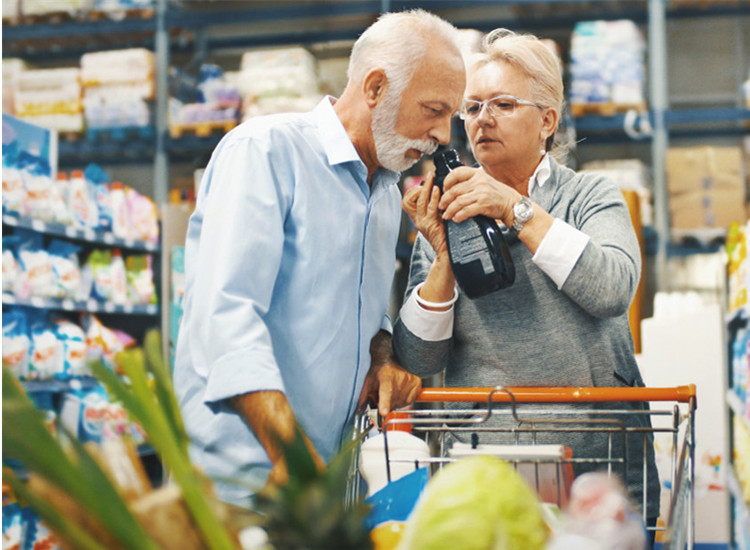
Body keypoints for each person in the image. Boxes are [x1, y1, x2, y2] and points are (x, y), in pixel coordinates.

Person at [173, 10, 466, 508]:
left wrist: (382, 355)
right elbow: (225, 316)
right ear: (375, 87)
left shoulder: (383, 192)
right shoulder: (264, 153)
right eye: (434, 110)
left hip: (319, 489)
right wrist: (292, 454)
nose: (443, 134)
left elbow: (363, 313)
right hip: (240, 486)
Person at [393, 27, 660, 539]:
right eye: (471, 108)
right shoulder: (450, 216)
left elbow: (611, 289)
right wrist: (445, 258)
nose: (482, 119)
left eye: (503, 104)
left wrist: (514, 210)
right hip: (485, 475)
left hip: (597, 468)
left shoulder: (589, 196)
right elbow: (419, 359)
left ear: (547, 121)